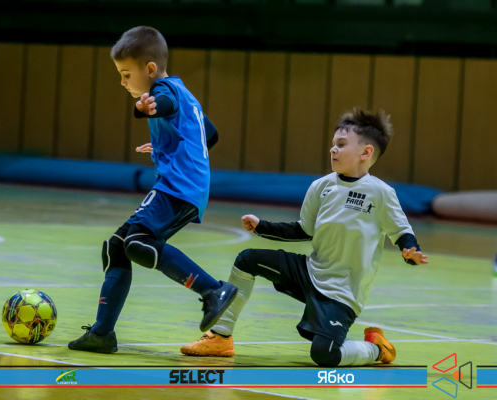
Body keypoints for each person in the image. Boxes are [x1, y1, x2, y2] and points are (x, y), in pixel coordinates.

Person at [181, 109, 429, 366]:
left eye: (341, 144)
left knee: (325, 354)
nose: (333, 149)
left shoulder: (381, 192)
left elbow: (401, 232)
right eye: (333, 144)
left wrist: (410, 252)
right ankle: (220, 336)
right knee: (247, 260)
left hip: (341, 293)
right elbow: (303, 230)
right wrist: (262, 226)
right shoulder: (321, 186)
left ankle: (376, 349)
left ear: (366, 152)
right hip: (309, 272)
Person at [68, 26, 237, 354]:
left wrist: (145, 109)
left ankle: (213, 291)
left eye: (126, 74)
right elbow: (210, 134)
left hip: (177, 187)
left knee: (138, 243)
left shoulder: (165, 90)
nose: (123, 82)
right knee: (118, 246)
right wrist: (168, 145)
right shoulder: (185, 93)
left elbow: (163, 103)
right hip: (184, 185)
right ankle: (102, 334)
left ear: (149, 69)